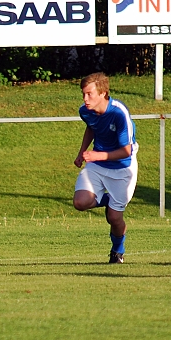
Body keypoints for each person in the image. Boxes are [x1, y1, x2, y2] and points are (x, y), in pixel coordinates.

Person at [72, 72, 138, 264]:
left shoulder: (118, 113)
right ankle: (110, 201)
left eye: (89, 94)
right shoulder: (85, 111)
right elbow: (92, 127)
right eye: (83, 94)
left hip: (122, 168)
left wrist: (96, 155)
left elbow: (126, 151)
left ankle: (118, 251)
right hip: (98, 164)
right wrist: (81, 152)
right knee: (80, 202)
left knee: (114, 218)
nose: (85, 99)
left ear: (103, 93)